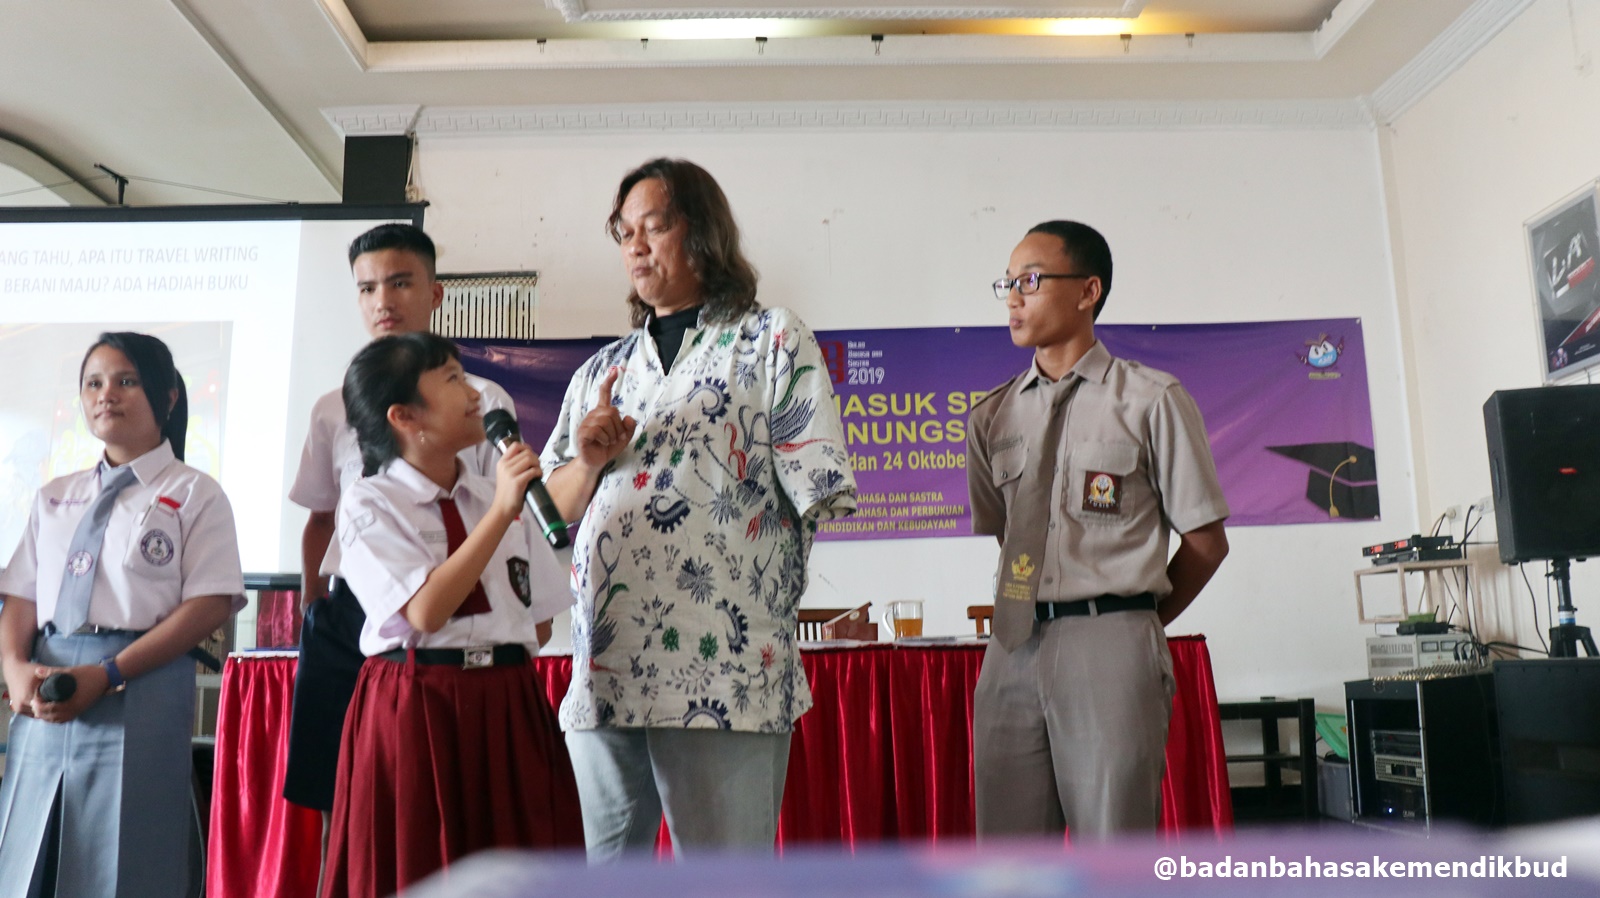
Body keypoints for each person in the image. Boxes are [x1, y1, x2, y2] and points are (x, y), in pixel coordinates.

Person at [542, 158, 857, 858]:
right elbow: (545, 517)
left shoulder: (771, 338)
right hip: (605, 663)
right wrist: (586, 463)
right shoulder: (600, 372)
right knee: (607, 875)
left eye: (655, 226)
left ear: (704, 234)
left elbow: (817, 487)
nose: (636, 246)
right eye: (624, 232)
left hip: (724, 663)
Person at [966, 221, 1230, 841]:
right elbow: (1009, 537)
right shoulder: (991, 415)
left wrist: (1133, 620)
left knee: (1111, 848)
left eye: (1030, 280)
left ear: (1088, 291)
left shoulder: (1151, 399)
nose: (1013, 296)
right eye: (1008, 282)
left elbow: (1206, 543)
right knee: (1007, 852)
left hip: (1112, 640)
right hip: (1012, 646)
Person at [281, 224, 522, 857]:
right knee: (345, 794)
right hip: (354, 613)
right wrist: (315, 606)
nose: (382, 300)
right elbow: (321, 518)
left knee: (440, 806)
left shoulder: (482, 400)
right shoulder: (334, 407)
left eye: (399, 282)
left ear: (436, 293)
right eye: (366, 288)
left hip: (446, 611)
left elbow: (507, 512)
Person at [319, 332, 581, 898]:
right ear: (405, 416)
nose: (473, 393)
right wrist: (503, 511)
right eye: (452, 380)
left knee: (521, 862)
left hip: (508, 699)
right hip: (419, 702)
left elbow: (539, 621)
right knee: (420, 863)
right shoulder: (370, 502)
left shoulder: (499, 491)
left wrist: (509, 505)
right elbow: (426, 609)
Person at [0, 332, 245, 897]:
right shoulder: (54, 495)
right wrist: (15, 666)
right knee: (26, 857)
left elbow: (207, 604)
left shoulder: (196, 493)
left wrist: (107, 674)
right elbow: (22, 596)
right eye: (93, 383)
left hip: (142, 679)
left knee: (131, 859)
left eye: (126, 380)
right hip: (48, 681)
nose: (106, 394)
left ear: (168, 396)